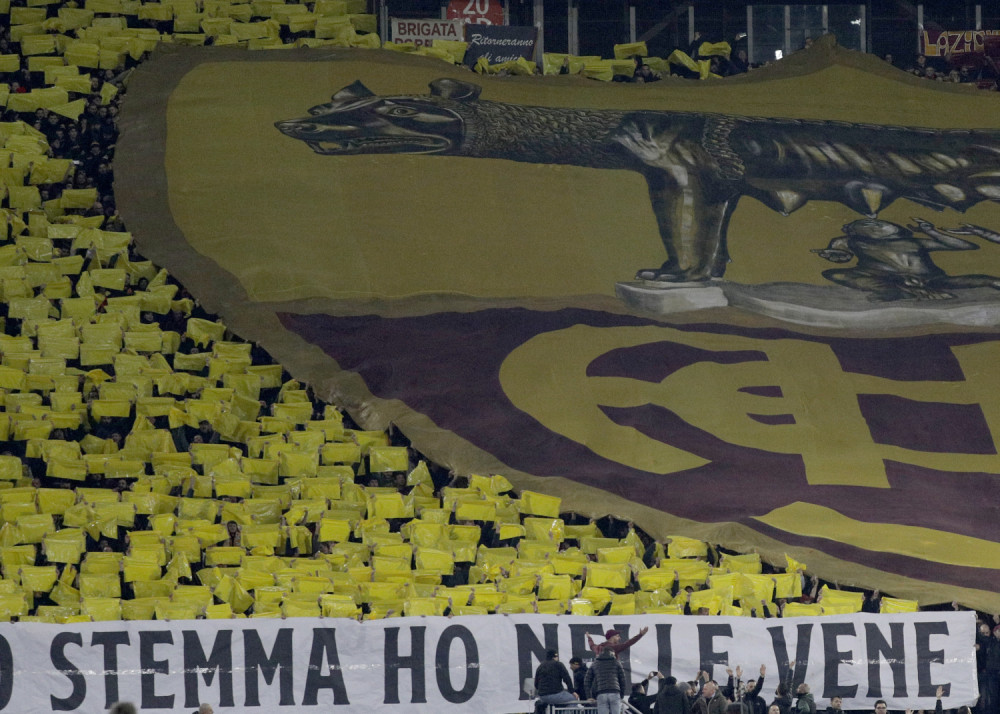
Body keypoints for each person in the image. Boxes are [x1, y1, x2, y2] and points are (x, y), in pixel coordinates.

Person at [585, 648, 626, 714]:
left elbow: (587, 680)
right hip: (614, 692)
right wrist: (621, 695)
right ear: (612, 653)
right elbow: (622, 680)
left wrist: (589, 696)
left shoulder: (595, 663)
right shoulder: (616, 662)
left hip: (601, 693)